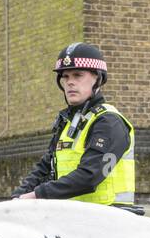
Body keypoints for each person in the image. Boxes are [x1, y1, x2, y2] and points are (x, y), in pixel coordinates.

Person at [12, 42, 135, 205]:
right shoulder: (68, 122)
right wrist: (17, 196)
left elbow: (89, 177)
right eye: (65, 76)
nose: (70, 82)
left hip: (108, 217)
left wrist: (36, 195)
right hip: (73, 215)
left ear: (97, 79)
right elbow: (46, 167)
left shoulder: (109, 122)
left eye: (77, 75)